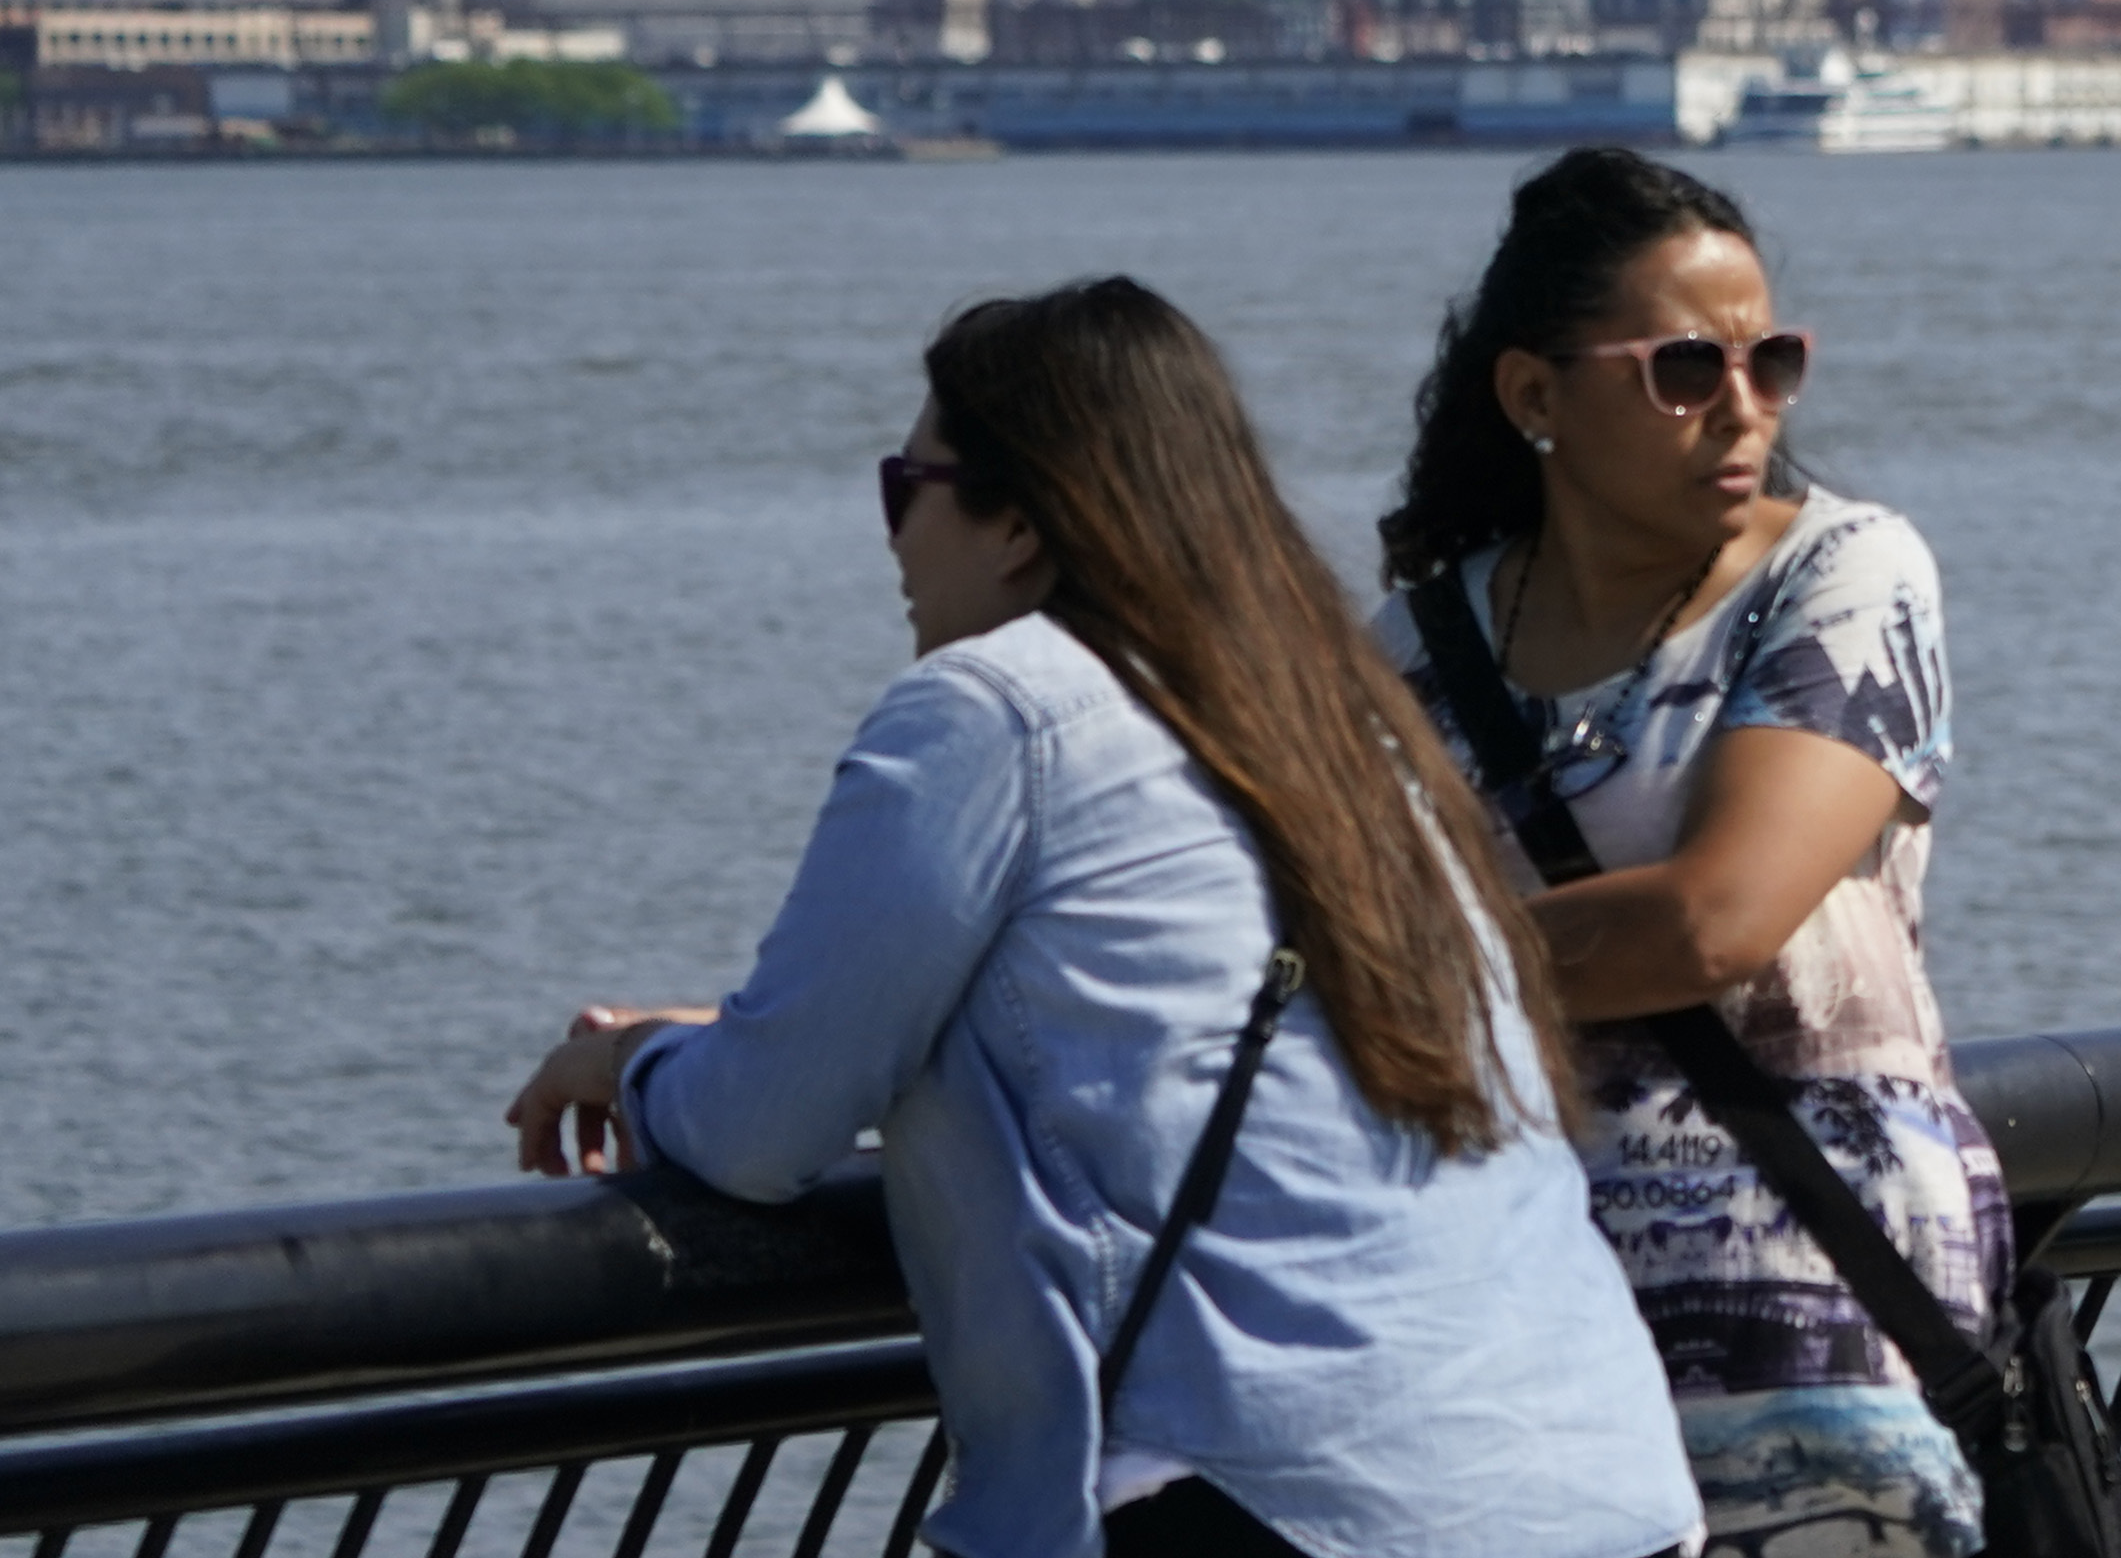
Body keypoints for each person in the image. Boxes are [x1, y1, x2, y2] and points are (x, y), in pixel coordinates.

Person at [505, 279, 1695, 1558]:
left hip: (1290, 1505)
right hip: (1598, 1483)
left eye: (909, 487)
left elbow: (758, 1129)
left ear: (1017, 524)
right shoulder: (1342, 719)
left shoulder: (992, 707)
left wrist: (636, 1059)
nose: (897, 538)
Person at [1376, 147, 2009, 1558]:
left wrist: (1389, 975)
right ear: (1534, 396)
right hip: (1518, 1332)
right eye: (1682, 368)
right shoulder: (1413, 648)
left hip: (1810, 1301)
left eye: (1770, 360)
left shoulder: (1844, 576)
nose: (1744, 407)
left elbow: (1714, 919)